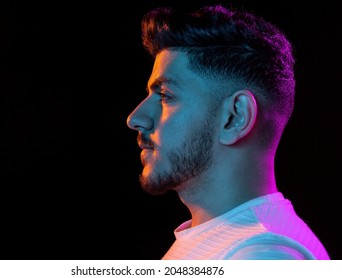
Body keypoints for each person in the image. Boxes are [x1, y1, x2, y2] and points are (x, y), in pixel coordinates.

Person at [126, 3, 330, 260]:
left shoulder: (265, 254)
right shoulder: (223, 241)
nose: (135, 118)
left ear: (235, 117)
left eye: (165, 96)